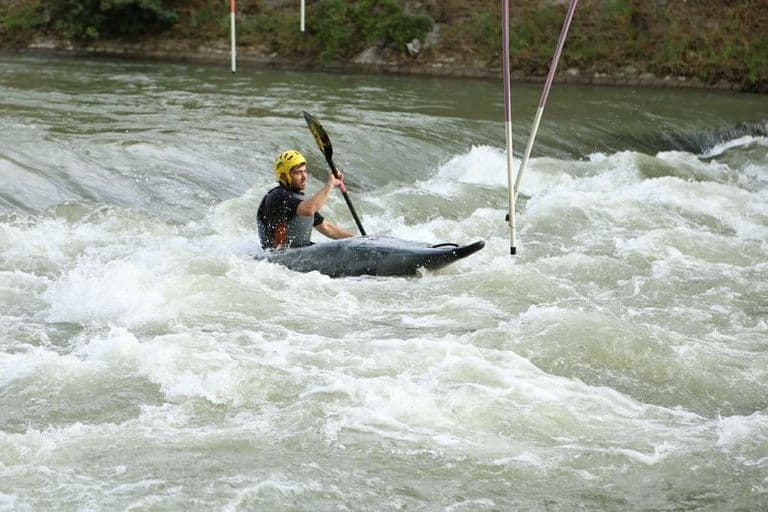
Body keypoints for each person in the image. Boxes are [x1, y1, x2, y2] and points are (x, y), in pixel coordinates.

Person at [257, 150, 354, 250]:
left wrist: (356, 239)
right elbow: (309, 209)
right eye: (298, 172)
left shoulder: (298, 199)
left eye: (304, 171)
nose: (304, 177)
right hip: (280, 255)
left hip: (299, 252)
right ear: (284, 176)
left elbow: (326, 227)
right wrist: (331, 184)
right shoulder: (278, 196)